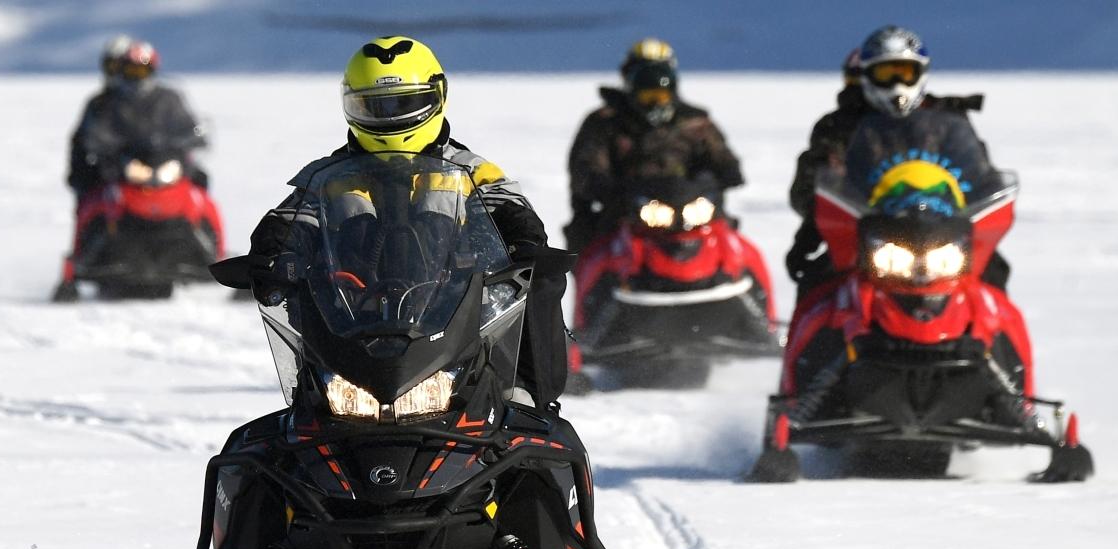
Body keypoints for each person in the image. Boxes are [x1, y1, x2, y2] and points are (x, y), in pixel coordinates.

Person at [248, 35, 569, 407]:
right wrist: (272, 253)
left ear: (437, 95)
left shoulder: (473, 171)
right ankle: (310, 399)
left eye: (404, 103)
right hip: (350, 320)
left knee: (541, 278)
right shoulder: (325, 179)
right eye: (374, 107)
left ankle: (527, 392)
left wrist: (521, 245)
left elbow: (514, 212)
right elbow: (288, 221)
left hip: (450, 311)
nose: (389, 117)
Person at [785, 26, 1002, 299]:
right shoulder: (839, 126)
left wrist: (985, 200)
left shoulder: (947, 123)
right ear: (867, 76)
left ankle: (1001, 339)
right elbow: (812, 189)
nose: (897, 83)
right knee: (817, 285)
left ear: (921, 74)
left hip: (942, 230)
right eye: (886, 74)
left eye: (905, 72)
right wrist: (818, 222)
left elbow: (979, 176)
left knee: (994, 274)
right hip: (867, 233)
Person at [564, 38, 744, 255]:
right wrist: (608, 188)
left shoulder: (695, 122)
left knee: (731, 241)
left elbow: (722, 158)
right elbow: (586, 166)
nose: (655, 102)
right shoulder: (605, 121)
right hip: (629, 209)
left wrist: (725, 172)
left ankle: (744, 281)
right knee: (592, 245)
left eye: (660, 94)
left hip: (690, 206)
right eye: (648, 94)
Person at [65, 37, 207, 198]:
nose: (137, 77)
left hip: (161, 161)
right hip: (122, 168)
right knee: (93, 194)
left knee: (199, 182)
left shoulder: (166, 98)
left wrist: (192, 138)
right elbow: (88, 139)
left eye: (142, 71)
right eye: (131, 71)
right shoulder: (105, 103)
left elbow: (188, 125)